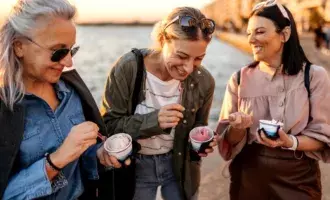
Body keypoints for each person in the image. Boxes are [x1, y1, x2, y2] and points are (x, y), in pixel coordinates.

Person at [0, 0, 120, 199]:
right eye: (58, 52)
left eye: (72, 50)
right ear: (19, 47)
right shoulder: (5, 107)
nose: (68, 62)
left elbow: (82, 162)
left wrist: (99, 155)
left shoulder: (73, 91)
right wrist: (55, 161)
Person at [100, 7, 217, 200]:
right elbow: (108, 126)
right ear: (163, 40)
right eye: (181, 56)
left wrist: (204, 139)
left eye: (199, 59)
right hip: (135, 167)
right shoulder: (128, 67)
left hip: (180, 167)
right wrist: (154, 121)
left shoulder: (205, 81)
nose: (188, 68)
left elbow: (199, 125)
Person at [217, 0, 330, 199]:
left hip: (298, 182)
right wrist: (237, 127)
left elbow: (323, 137)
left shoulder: (314, 76)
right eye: (249, 32)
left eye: (259, 32)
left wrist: (291, 142)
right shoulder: (238, 79)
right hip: (248, 180)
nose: (251, 39)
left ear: (284, 34)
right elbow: (227, 142)